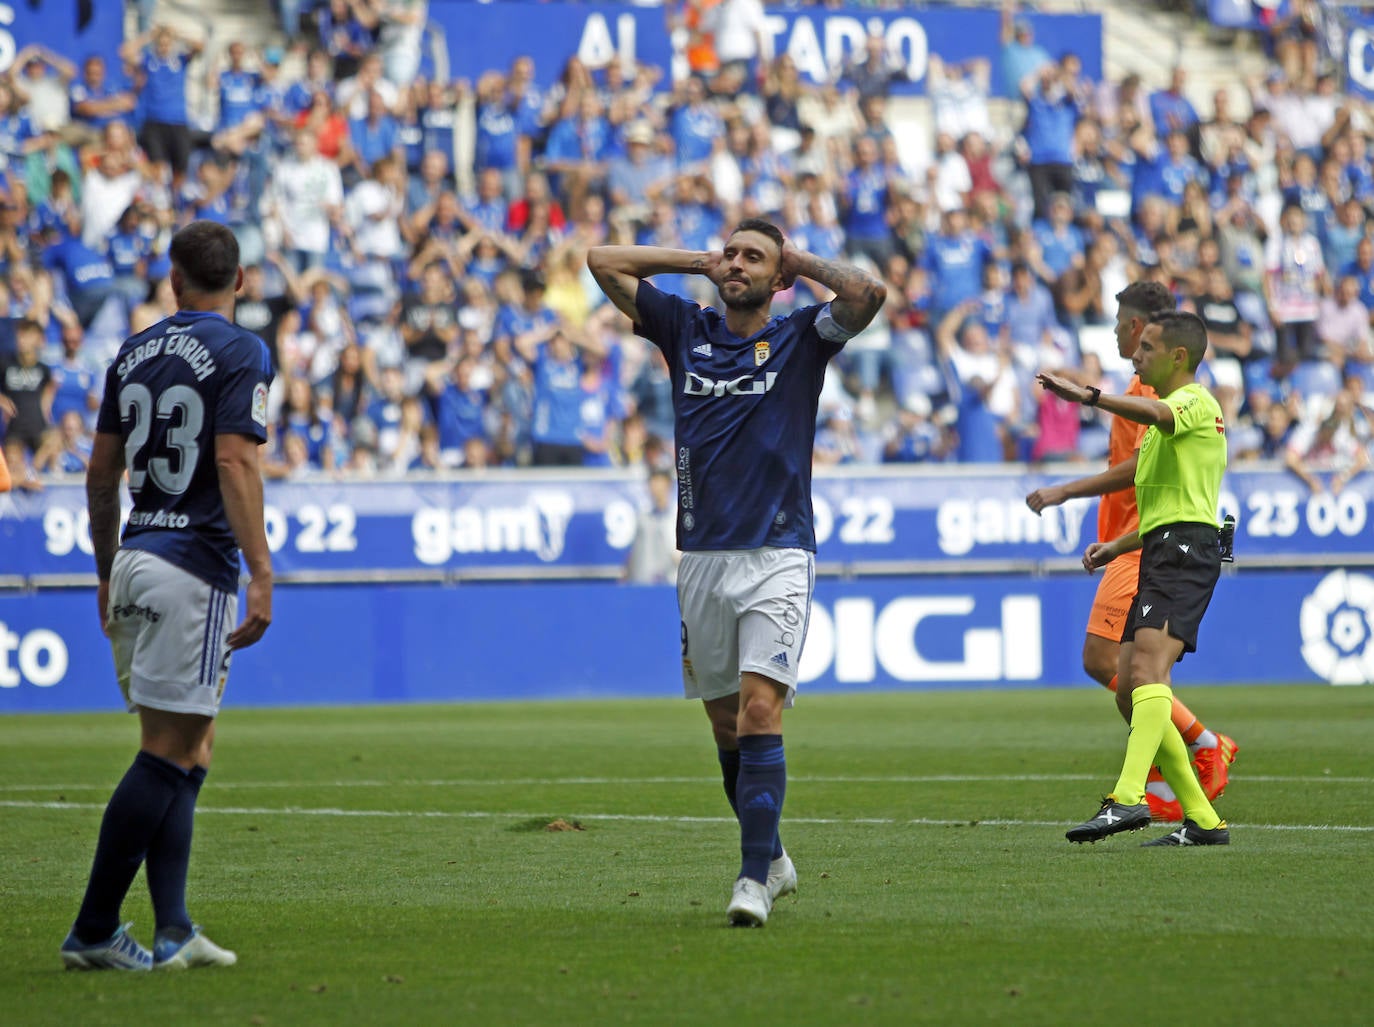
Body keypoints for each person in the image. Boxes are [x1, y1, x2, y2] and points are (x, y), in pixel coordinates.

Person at [588, 218, 887, 925]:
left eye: (753, 257)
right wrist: (698, 259)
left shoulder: (802, 336)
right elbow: (603, 261)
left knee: (761, 708)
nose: (736, 265)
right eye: (731, 254)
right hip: (703, 557)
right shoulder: (683, 328)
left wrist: (794, 259)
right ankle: (774, 855)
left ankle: (751, 878)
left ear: (779, 276)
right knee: (726, 727)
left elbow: (867, 293)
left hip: (779, 551)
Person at [62, 221, 274, 971]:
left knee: (193, 744)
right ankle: (92, 927)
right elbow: (235, 461)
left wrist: (103, 569)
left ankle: (174, 927)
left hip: (137, 556)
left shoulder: (133, 351)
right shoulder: (243, 348)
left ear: (174, 281)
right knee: (168, 749)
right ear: (240, 282)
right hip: (194, 564)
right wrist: (263, 569)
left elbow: (99, 475)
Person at [1025, 282, 1238, 822]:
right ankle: (1201, 817)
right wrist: (1115, 543)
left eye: (1140, 339)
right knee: (1129, 679)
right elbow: (1153, 486)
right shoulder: (1159, 398)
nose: (1133, 346)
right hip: (1154, 542)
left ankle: (1136, 792)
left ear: (1168, 348)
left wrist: (1088, 399)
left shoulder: (1180, 401)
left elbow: (1157, 439)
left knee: (1135, 673)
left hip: (1179, 548)